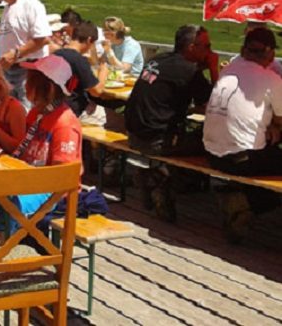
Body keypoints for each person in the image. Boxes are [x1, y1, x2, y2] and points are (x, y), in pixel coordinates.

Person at [126, 25, 215, 221]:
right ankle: (164, 182)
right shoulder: (188, 70)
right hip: (157, 141)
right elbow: (215, 105)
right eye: (206, 46)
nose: (210, 51)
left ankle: (155, 175)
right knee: (215, 145)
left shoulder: (158, 59)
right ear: (192, 46)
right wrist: (214, 68)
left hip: (134, 135)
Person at [203, 28, 282, 240]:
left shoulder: (228, 71)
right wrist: (273, 124)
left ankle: (240, 197)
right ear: (271, 55)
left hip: (211, 155)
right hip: (240, 159)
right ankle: (245, 204)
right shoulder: (271, 78)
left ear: (242, 50)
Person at [0, 0, 52, 110]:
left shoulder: (30, 4)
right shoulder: (9, 7)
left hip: (27, 69)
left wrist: (15, 54)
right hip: (11, 68)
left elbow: (43, 38)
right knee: (12, 112)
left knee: (25, 111)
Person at [13, 54, 83, 168]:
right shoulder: (36, 113)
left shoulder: (65, 125)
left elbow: (62, 174)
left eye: (30, 81)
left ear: (49, 88)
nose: (25, 85)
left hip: (49, 184)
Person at [54, 21, 109, 117]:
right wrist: (103, 71)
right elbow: (97, 91)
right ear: (89, 40)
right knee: (120, 122)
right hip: (74, 111)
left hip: (55, 107)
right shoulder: (78, 60)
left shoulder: (56, 54)